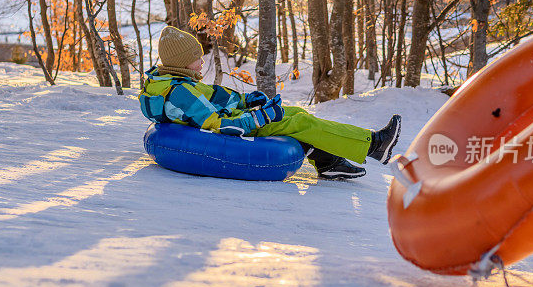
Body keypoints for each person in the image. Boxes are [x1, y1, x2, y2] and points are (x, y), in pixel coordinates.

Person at [139, 26, 401, 180]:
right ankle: (374, 145)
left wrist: (247, 99)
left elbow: (216, 97)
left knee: (295, 112)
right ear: (182, 62)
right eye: (197, 57)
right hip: (234, 131)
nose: (202, 61)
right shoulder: (181, 91)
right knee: (299, 122)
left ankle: (328, 163)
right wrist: (260, 117)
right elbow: (219, 125)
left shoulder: (178, 82)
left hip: (234, 120)